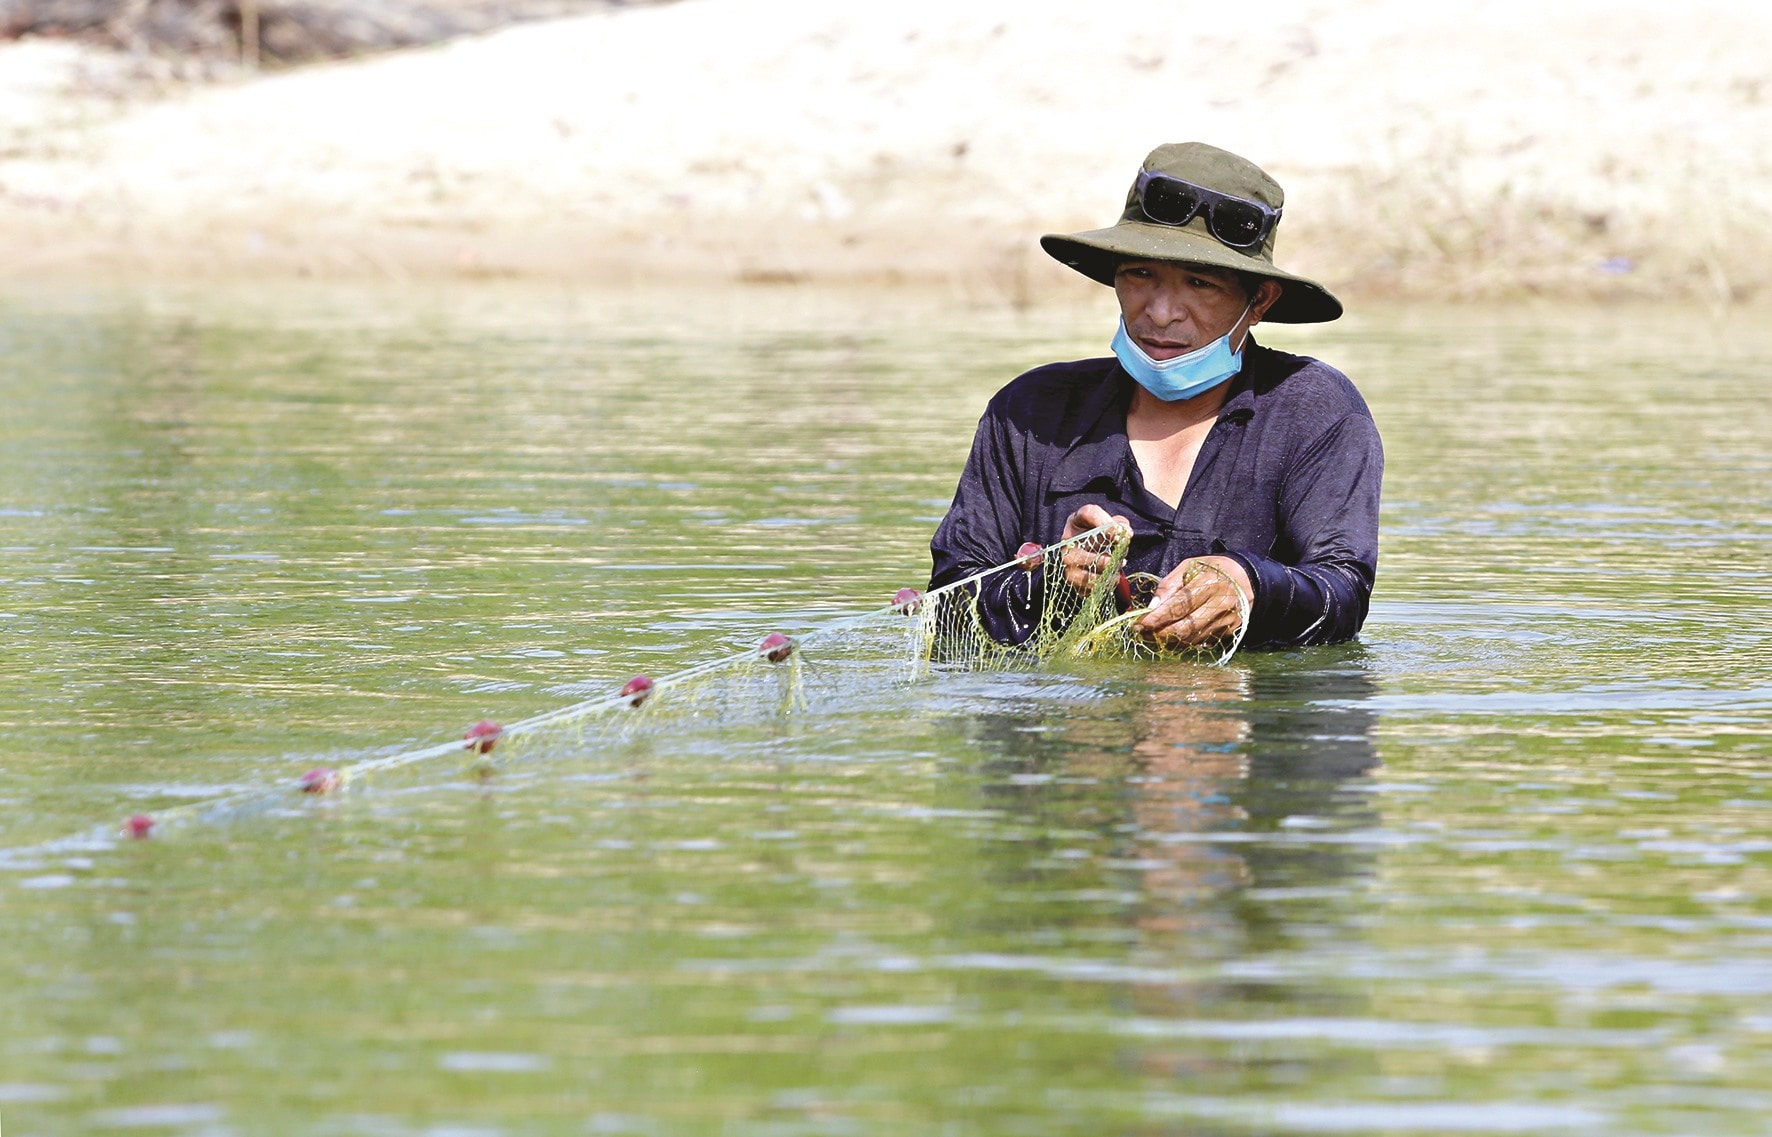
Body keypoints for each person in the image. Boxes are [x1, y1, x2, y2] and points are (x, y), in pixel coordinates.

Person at [928, 142, 1382, 651]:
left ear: (1259, 300)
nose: (1162, 311)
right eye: (1141, 274)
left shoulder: (1315, 410)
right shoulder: (1029, 412)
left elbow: (1343, 594)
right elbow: (946, 612)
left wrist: (1248, 583)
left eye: (1201, 283)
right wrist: (1050, 581)